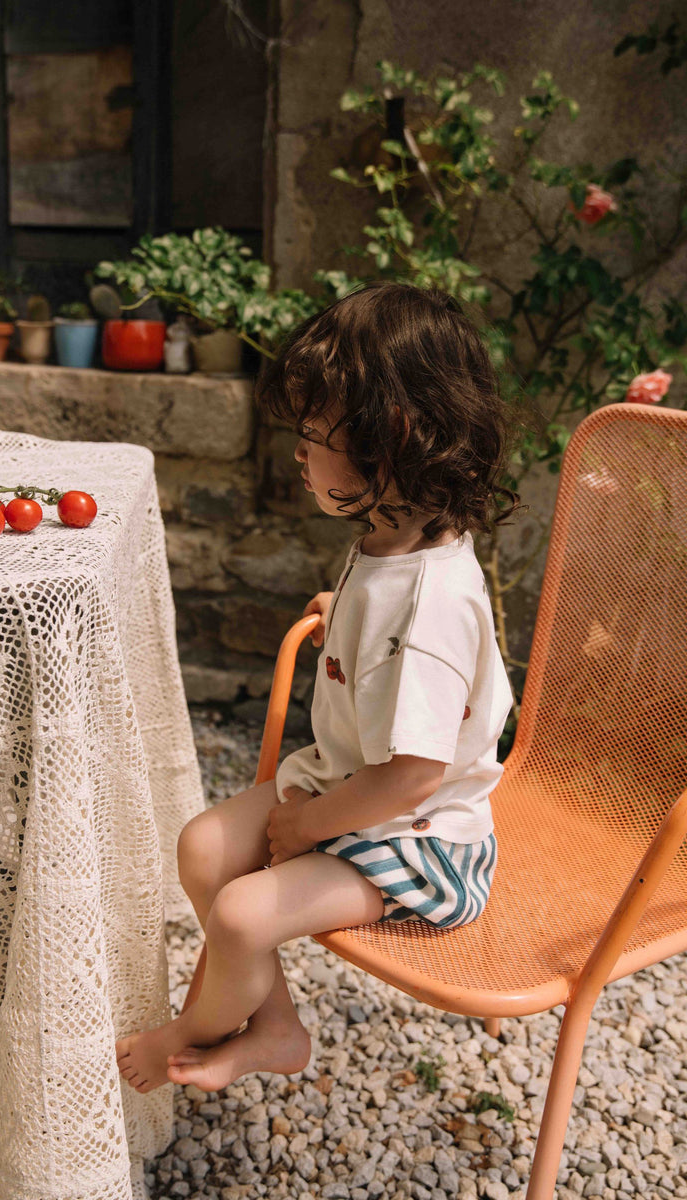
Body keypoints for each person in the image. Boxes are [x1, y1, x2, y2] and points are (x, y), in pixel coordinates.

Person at [116, 282, 520, 1094]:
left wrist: (306, 827)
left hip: (419, 839)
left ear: (390, 440)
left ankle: (191, 1034)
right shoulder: (397, 533)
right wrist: (350, 616)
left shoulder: (431, 607)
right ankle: (277, 1026)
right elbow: (397, 634)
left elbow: (415, 774)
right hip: (350, 787)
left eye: (313, 436)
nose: (298, 454)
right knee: (203, 847)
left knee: (241, 915)